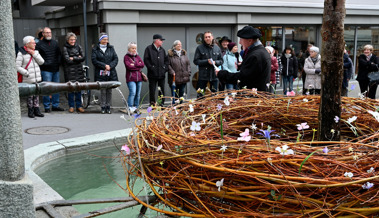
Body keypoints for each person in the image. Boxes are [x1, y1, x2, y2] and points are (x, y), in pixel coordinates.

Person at [216, 26, 271, 91]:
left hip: (254, 96)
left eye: (241, 39)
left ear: (250, 40)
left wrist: (221, 74)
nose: (239, 42)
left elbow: (242, 78)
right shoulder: (260, 51)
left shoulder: (255, 55)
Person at [16, 36, 45, 118]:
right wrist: (26, 73)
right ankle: (30, 110)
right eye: (33, 43)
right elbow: (17, 66)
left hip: (36, 77)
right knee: (30, 95)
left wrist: (34, 54)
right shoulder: (21, 53)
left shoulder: (36, 52)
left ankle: (37, 110)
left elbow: (42, 62)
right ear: (27, 44)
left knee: (36, 94)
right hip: (28, 78)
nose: (35, 44)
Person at [36, 27, 64, 112]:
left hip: (55, 69)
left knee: (56, 88)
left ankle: (55, 105)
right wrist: (44, 64)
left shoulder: (55, 43)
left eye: (50, 32)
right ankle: (47, 107)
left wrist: (58, 63)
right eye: (46, 32)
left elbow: (59, 54)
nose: (48, 34)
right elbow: (38, 57)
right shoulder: (39, 44)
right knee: (46, 89)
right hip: (46, 70)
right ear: (43, 34)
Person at [91, 32, 119, 114]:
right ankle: (103, 106)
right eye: (104, 39)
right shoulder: (95, 49)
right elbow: (94, 60)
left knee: (109, 90)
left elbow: (115, 59)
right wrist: (104, 66)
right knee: (103, 90)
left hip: (110, 72)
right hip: (100, 72)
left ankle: (108, 106)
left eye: (107, 39)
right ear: (100, 40)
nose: (106, 41)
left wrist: (110, 66)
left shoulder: (111, 48)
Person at [193, 31, 223, 97]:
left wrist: (215, 62)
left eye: (209, 37)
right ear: (204, 39)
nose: (207, 38)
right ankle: (200, 107)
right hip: (203, 76)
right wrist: (206, 61)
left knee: (214, 95)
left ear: (212, 37)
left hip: (214, 76)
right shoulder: (199, 48)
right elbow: (196, 61)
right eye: (206, 37)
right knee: (200, 95)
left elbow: (221, 61)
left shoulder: (217, 48)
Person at [62, 32, 85, 113]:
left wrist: (73, 58)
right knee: (71, 89)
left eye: (74, 39)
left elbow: (83, 57)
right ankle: (71, 106)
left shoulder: (78, 46)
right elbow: (67, 60)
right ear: (68, 40)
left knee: (78, 88)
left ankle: (79, 106)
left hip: (78, 71)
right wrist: (77, 58)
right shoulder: (65, 48)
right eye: (71, 39)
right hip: (69, 72)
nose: (73, 41)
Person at [144, 34, 169, 106]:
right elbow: (146, 60)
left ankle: (161, 103)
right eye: (161, 40)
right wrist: (152, 68)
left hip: (161, 74)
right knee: (152, 89)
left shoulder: (162, 50)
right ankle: (152, 103)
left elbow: (166, 61)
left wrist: (165, 69)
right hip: (152, 74)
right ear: (156, 40)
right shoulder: (148, 49)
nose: (162, 42)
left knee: (161, 90)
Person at [124, 42, 145, 113]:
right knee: (132, 92)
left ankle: (136, 107)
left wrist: (134, 64)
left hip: (139, 78)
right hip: (131, 78)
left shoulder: (137, 56)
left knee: (138, 94)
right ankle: (130, 107)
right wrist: (137, 65)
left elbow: (142, 64)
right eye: (133, 48)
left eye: (135, 48)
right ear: (129, 49)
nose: (134, 50)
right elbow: (129, 66)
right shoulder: (126, 57)